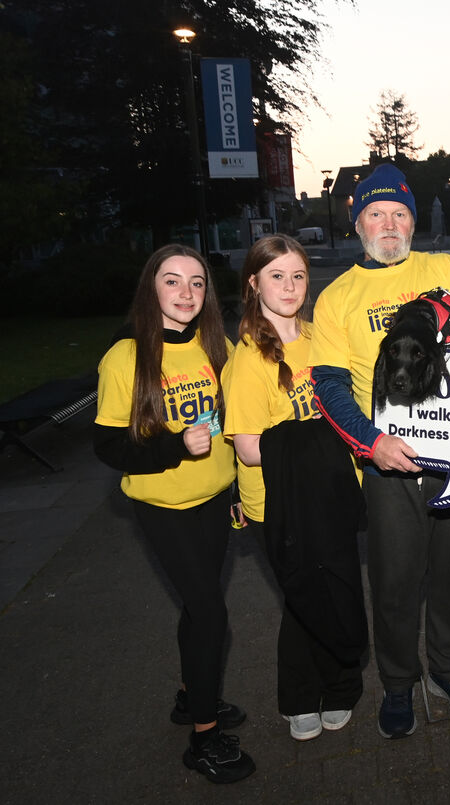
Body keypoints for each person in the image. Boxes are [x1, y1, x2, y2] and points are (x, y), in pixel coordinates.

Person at [309, 163, 450, 739]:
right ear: (358, 224)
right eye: (375, 214)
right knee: (396, 581)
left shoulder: (444, 269)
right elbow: (327, 385)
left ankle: (448, 669)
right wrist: (371, 444)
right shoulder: (338, 297)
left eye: (399, 213)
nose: (389, 224)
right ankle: (399, 683)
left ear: (411, 221)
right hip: (389, 464)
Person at [93, 245, 253, 783]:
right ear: (152, 289)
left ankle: (191, 696)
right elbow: (110, 447)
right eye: (172, 281)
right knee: (211, 614)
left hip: (216, 500)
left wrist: (237, 486)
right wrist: (175, 446)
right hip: (165, 508)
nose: (186, 293)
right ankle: (203, 738)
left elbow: (231, 423)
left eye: (198, 283)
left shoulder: (217, 344)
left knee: (198, 607)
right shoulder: (126, 356)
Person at [221, 234, 364, 741]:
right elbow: (248, 448)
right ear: (254, 283)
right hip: (277, 504)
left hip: (330, 495)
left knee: (339, 591)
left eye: (298, 275)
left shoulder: (319, 337)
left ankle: (343, 685)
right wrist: (324, 440)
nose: (289, 286)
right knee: (303, 599)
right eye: (276, 276)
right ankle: (301, 696)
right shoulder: (248, 359)